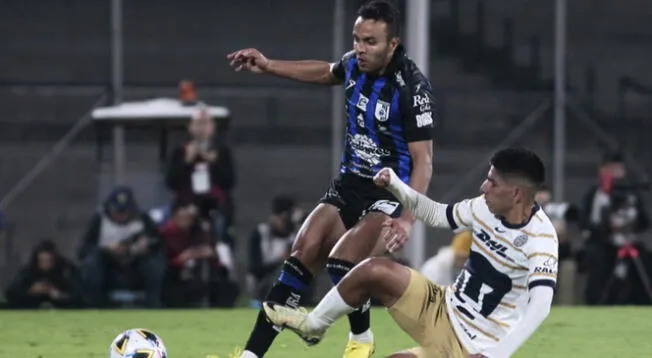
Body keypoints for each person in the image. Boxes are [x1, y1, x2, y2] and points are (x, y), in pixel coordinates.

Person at [227, 1, 436, 357]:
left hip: (388, 191)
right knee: (301, 254)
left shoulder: (411, 88)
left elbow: (424, 160)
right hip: (349, 183)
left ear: (393, 44)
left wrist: (408, 219)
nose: (360, 48)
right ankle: (250, 356)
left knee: (342, 264)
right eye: (357, 39)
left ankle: (362, 341)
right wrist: (268, 65)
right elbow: (326, 72)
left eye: (370, 41)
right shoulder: (354, 64)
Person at [264, 148, 558, 358]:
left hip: (472, 347)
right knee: (372, 270)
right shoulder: (484, 206)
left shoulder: (541, 239)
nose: (484, 186)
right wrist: (396, 185)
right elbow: (437, 214)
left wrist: (496, 355)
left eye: (493, 182)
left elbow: (540, 307)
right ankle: (314, 325)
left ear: (517, 194)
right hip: (442, 306)